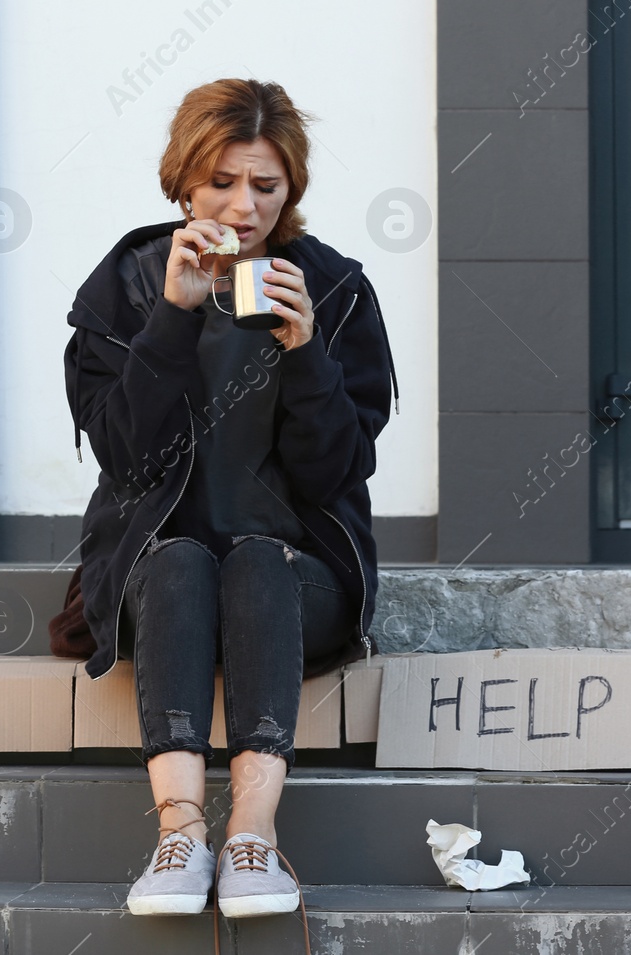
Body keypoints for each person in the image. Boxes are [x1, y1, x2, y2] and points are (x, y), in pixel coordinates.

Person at [61, 78, 398, 928]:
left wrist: (307, 351)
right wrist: (172, 317)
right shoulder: (129, 286)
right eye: (221, 182)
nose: (243, 207)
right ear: (183, 181)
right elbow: (127, 460)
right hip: (159, 586)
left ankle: (251, 832)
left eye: (266, 186)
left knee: (253, 557)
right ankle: (179, 833)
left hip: (296, 583)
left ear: (291, 192)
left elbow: (338, 475)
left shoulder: (333, 287)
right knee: (179, 557)